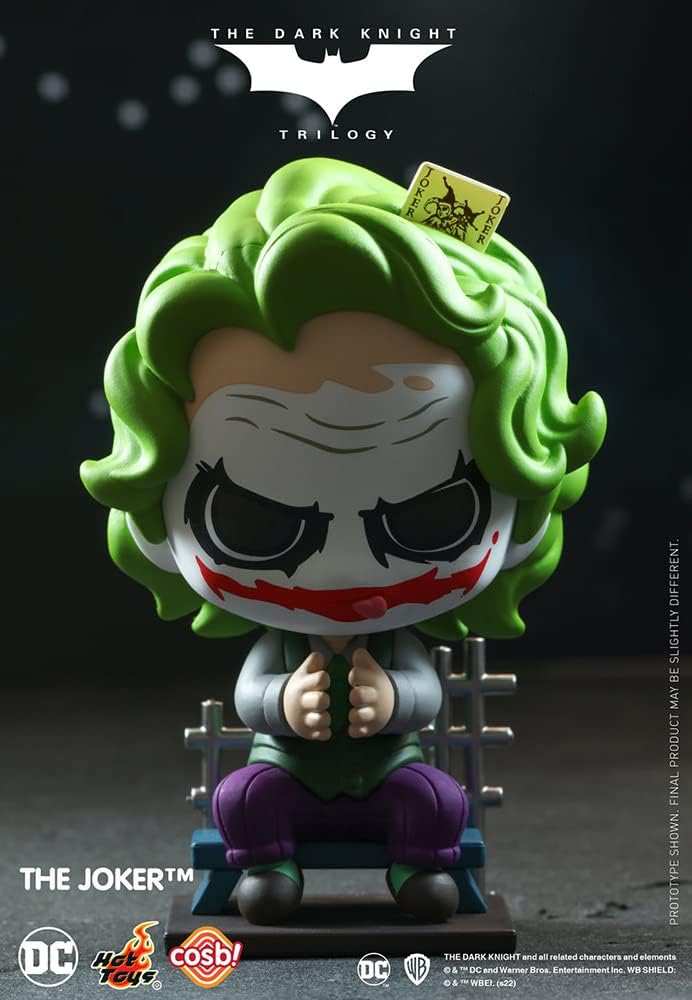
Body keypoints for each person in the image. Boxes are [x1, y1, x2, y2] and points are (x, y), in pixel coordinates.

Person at [81, 157, 606, 924]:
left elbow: (424, 691)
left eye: (432, 517)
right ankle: (270, 869)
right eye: (256, 523)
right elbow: (251, 692)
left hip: (388, 769)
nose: (341, 568)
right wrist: (280, 699)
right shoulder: (284, 642)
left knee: (439, 798)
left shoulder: (394, 642)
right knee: (241, 797)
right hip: (287, 770)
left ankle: (418, 869)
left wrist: (395, 697)